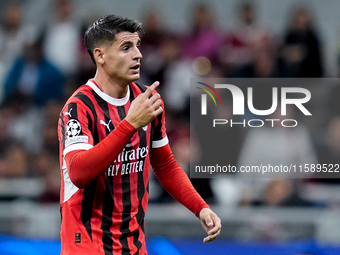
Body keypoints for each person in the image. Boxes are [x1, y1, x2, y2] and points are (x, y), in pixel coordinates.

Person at [57, 14, 221, 255]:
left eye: (137, 46)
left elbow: (165, 165)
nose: (138, 55)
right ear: (100, 55)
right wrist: (129, 124)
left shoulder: (148, 101)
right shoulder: (78, 107)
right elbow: (79, 173)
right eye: (126, 47)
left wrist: (200, 208)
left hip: (133, 245)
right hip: (87, 244)